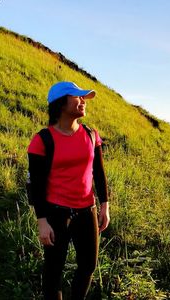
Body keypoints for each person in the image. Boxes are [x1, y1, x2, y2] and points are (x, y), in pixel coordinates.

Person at [27, 81, 110, 300]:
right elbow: (35, 185)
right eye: (78, 97)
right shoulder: (42, 140)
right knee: (54, 269)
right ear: (61, 103)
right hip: (56, 213)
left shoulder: (91, 135)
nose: (83, 101)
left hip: (87, 210)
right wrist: (42, 221)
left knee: (88, 266)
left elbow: (99, 174)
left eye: (84, 97)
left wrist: (104, 205)